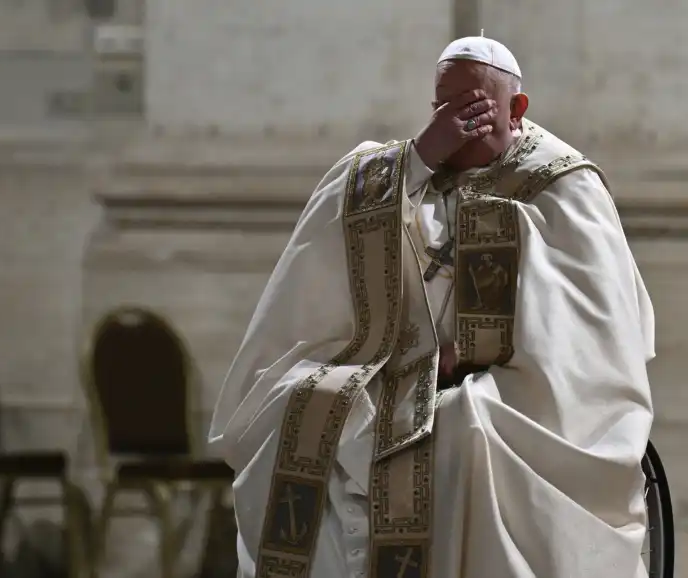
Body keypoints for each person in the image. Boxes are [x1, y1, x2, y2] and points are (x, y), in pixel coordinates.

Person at [209, 35, 655, 578]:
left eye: (476, 107)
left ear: (517, 109)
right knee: (296, 410)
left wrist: (476, 344)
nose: (458, 122)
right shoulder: (400, 169)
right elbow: (329, 258)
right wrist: (420, 157)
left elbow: (588, 319)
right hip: (383, 369)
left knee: (468, 430)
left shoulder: (562, 184)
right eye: (446, 106)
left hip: (509, 383)